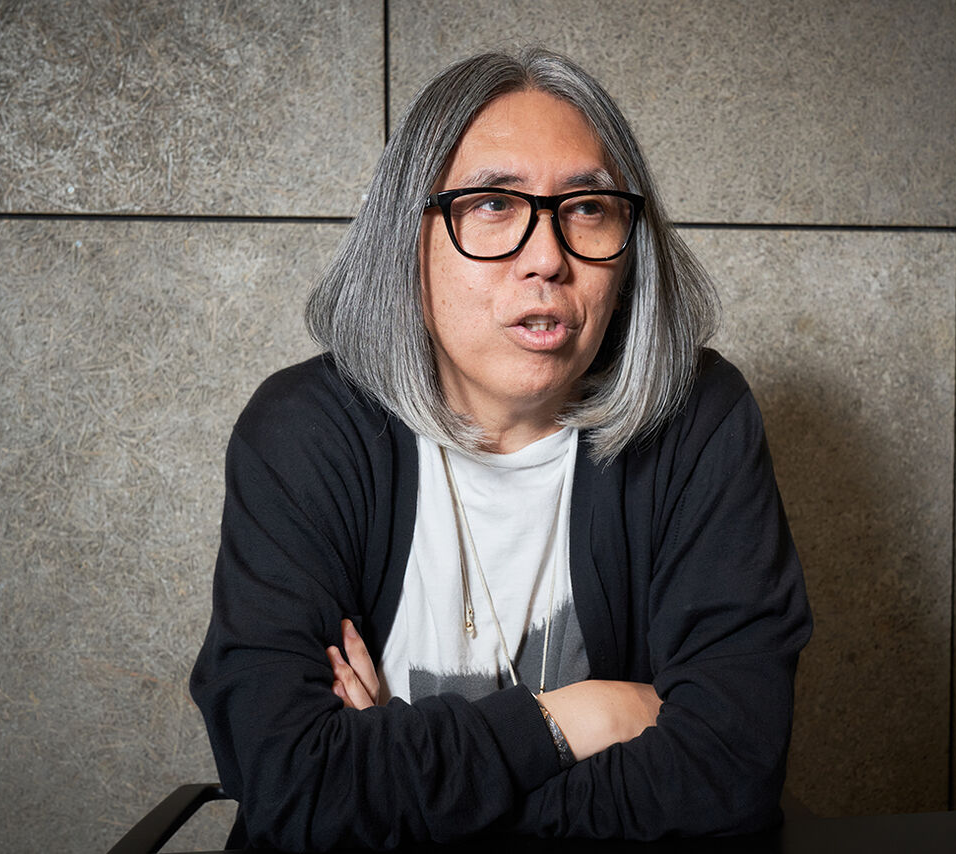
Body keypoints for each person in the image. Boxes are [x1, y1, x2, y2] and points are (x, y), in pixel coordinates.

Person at [190, 47, 811, 851]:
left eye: (588, 207)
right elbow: (294, 784)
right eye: (491, 204)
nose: (548, 257)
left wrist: (397, 785)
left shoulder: (695, 420)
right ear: (406, 238)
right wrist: (578, 717)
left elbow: (727, 770)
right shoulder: (305, 433)